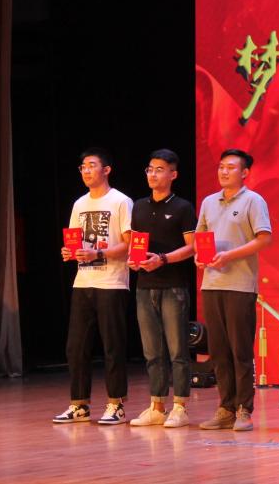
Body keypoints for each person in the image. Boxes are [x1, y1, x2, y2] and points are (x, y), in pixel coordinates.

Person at [54, 148, 133, 425]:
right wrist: (70, 252)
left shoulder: (121, 201)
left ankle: (116, 404)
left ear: (106, 170)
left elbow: (129, 244)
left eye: (91, 165)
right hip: (83, 281)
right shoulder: (79, 204)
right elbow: (74, 241)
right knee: (76, 347)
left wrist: (97, 253)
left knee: (113, 346)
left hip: (112, 283)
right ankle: (79, 405)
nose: (86, 171)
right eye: (82, 167)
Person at [196, 149, 273, 431]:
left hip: (240, 285)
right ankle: (225, 407)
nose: (224, 172)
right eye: (221, 167)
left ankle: (244, 409)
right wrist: (199, 255)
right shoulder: (209, 202)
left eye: (230, 167)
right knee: (218, 350)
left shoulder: (253, 200)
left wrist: (229, 255)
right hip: (211, 284)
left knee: (240, 349)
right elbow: (200, 237)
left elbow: (264, 238)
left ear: (244, 173)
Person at [128, 149, 198, 429]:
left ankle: (180, 407)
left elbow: (192, 247)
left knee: (177, 350)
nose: (153, 174)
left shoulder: (182, 207)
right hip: (145, 286)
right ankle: (157, 406)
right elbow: (136, 243)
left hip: (173, 286)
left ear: (173, 174)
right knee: (151, 351)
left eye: (159, 169)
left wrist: (164, 259)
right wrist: (134, 260)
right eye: (150, 169)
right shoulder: (139, 206)